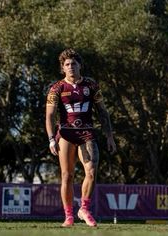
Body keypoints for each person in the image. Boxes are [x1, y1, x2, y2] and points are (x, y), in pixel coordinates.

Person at [45, 48, 116, 227]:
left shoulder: (91, 86)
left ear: (80, 66)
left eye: (73, 64)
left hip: (87, 133)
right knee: (67, 175)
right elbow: (50, 116)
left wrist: (109, 137)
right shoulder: (57, 88)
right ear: (63, 68)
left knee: (91, 172)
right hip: (66, 133)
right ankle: (68, 215)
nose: (70, 67)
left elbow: (103, 112)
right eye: (67, 64)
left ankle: (84, 209)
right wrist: (51, 139)